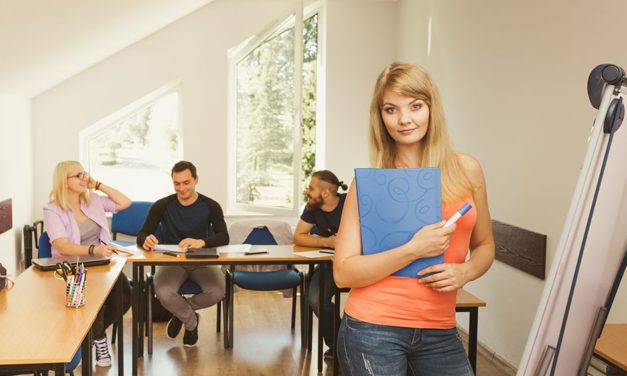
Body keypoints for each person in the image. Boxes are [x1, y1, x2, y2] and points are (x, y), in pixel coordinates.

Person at [333, 62, 495, 375]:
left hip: (441, 328)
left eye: (416, 106)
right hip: (372, 327)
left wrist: (467, 271)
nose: (404, 119)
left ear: (432, 108)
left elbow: (485, 243)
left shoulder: (468, 170)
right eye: (391, 109)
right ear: (380, 117)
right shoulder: (368, 185)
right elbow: (343, 273)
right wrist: (414, 249)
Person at [43, 160, 132, 367]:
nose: (84, 178)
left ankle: (91, 335)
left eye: (85, 174)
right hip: (72, 269)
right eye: (78, 175)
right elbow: (63, 246)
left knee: (125, 298)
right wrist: (93, 250)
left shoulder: (92, 200)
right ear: (64, 181)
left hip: (102, 262)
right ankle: (99, 339)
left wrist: (97, 184)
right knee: (96, 301)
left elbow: (125, 202)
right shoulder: (52, 209)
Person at [136, 161, 229, 347]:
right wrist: (146, 240)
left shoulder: (211, 205)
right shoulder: (162, 205)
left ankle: (182, 313)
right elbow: (142, 234)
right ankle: (191, 321)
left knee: (218, 291)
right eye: (177, 183)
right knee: (163, 291)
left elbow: (223, 237)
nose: (181, 188)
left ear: (196, 180)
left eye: (186, 183)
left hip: (202, 260)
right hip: (172, 262)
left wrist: (201, 242)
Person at [293, 170, 348, 359]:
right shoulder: (312, 208)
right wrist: (327, 242)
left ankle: (354, 344)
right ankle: (340, 344)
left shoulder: (351, 204)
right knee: (315, 298)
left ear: (325, 193)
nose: (307, 191)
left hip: (356, 262)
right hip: (328, 265)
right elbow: (298, 236)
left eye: (311, 187)